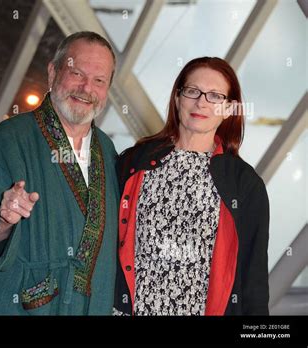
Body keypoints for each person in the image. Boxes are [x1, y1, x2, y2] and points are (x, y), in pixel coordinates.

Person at [0, 31, 120, 315]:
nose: (86, 88)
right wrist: (2, 219)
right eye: (77, 73)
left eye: (99, 81)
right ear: (53, 72)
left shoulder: (108, 153)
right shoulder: (10, 138)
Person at [114, 57, 270, 316]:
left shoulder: (244, 184)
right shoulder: (134, 162)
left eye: (215, 96)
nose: (201, 102)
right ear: (177, 98)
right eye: (192, 91)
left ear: (229, 109)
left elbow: (253, 282)